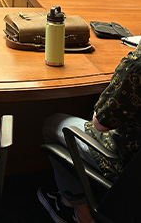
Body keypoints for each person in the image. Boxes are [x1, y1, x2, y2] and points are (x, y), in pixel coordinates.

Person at [38, 45, 141, 223]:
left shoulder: (136, 65)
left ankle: (78, 212)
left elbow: (100, 123)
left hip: (128, 165)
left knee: (52, 124)